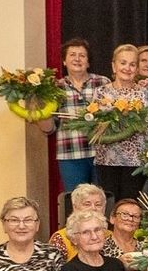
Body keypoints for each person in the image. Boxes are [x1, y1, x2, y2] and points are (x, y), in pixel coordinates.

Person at [35, 38, 111, 190]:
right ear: (64, 61)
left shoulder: (103, 82)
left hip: (102, 153)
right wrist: (40, 106)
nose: (77, 59)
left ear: (88, 62)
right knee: (74, 201)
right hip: (70, 153)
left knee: (103, 200)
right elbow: (48, 129)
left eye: (82, 55)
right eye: (72, 55)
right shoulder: (55, 87)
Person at [94, 43, 148, 201]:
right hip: (106, 160)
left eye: (132, 64)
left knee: (129, 205)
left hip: (135, 161)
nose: (127, 68)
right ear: (114, 66)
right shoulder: (101, 92)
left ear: (136, 70)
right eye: (123, 63)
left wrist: (128, 124)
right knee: (108, 206)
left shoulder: (143, 93)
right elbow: (94, 126)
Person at [49, 183, 108, 261]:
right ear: (75, 207)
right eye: (87, 204)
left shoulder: (110, 235)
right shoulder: (60, 238)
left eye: (98, 205)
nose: (93, 208)